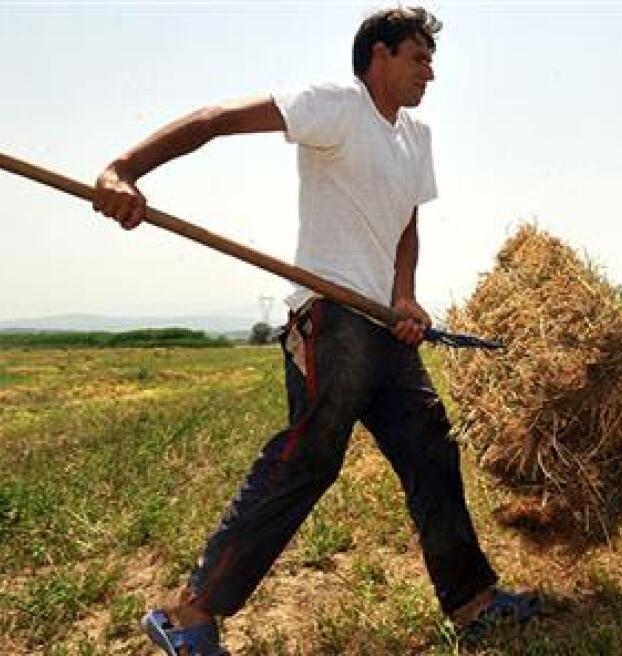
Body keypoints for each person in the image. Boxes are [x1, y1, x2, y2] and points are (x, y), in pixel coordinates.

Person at [92, 8, 537, 654]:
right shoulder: (337, 107)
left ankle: (473, 604)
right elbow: (216, 120)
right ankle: (188, 616)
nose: (430, 73)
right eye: (418, 57)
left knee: (432, 449)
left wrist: (404, 295)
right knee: (309, 458)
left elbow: (407, 224)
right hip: (329, 319)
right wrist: (122, 169)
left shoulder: (416, 136)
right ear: (378, 56)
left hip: (383, 325)